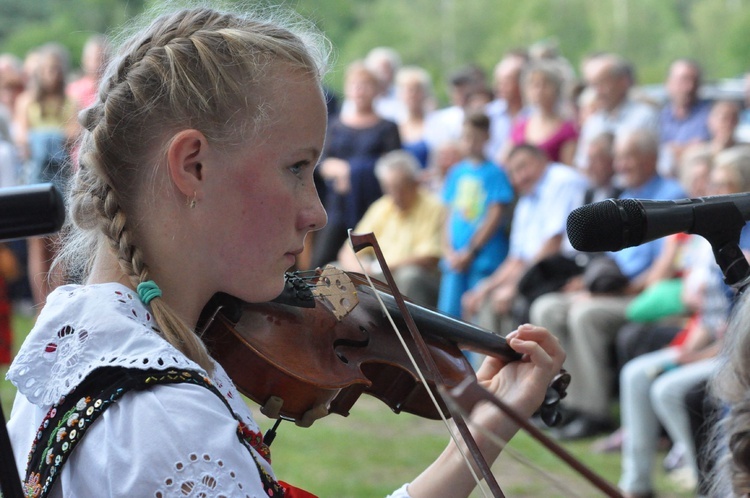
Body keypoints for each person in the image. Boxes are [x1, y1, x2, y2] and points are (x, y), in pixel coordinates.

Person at [5, 6, 565, 498]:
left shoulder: (71, 345)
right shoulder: (168, 423)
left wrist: (480, 437)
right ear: (193, 166)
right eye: (296, 168)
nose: (317, 212)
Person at [530, 129, 686, 440]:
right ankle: (561, 401)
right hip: (613, 287)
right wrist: (588, 283)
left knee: (586, 315)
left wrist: (615, 291)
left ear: (651, 159)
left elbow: (663, 267)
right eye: (620, 157)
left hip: (641, 294)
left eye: (629, 157)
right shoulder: (624, 195)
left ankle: (594, 412)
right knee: (547, 307)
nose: (622, 164)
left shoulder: (671, 195)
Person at [461, 143, 588, 338]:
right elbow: (516, 259)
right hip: (539, 270)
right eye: (512, 173)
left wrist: (515, 286)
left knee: (512, 301)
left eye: (523, 167)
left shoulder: (561, 180)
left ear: (542, 160)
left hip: (567, 267)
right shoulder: (525, 200)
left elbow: (553, 244)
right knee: (485, 299)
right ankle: (495, 368)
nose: (519, 177)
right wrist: (484, 288)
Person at [310, 61, 402, 269]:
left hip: (373, 206)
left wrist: (351, 171)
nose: (360, 90)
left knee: (366, 266)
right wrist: (335, 170)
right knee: (320, 262)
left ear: (377, 90)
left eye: (366, 84)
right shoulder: (335, 125)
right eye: (355, 84)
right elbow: (320, 161)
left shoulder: (387, 127)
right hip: (337, 205)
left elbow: (394, 166)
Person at [336, 150, 444, 307]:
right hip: (377, 273)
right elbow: (348, 248)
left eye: (400, 187)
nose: (395, 194)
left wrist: (381, 268)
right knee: (335, 271)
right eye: (389, 188)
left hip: (408, 276)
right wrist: (359, 270)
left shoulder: (433, 207)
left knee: (409, 276)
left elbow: (429, 257)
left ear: (414, 183)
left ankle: (406, 331)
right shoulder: (382, 206)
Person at [437, 111, 514, 323]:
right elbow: (447, 214)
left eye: (475, 137)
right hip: (454, 260)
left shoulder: (495, 172)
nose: (470, 143)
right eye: (465, 137)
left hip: (482, 259)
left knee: (474, 316)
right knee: (448, 315)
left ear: (487, 137)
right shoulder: (456, 172)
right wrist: (448, 250)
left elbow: (494, 215)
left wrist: (471, 251)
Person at [573, 53, 659, 170]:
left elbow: (659, 163)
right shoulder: (592, 123)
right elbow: (582, 164)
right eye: (594, 85)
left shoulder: (645, 117)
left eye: (603, 83)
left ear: (623, 82)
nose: (598, 91)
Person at [507, 60, 578, 165]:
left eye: (545, 84)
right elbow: (505, 159)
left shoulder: (567, 129)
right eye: (534, 85)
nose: (539, 90)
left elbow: (569, 169)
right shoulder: (520, 125)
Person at [657, 58, 712, 178]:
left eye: (694, 82)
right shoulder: (658, 116)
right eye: (683, 81)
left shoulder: (710, 115)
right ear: (668, 83)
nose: (689, 87)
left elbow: (705, 149)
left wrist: (673, 150)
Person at [394, 65, 434, 168]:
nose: (412, 95)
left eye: (417, 90)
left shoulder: (437, 124)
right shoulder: (394, 126)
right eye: (408, 90)